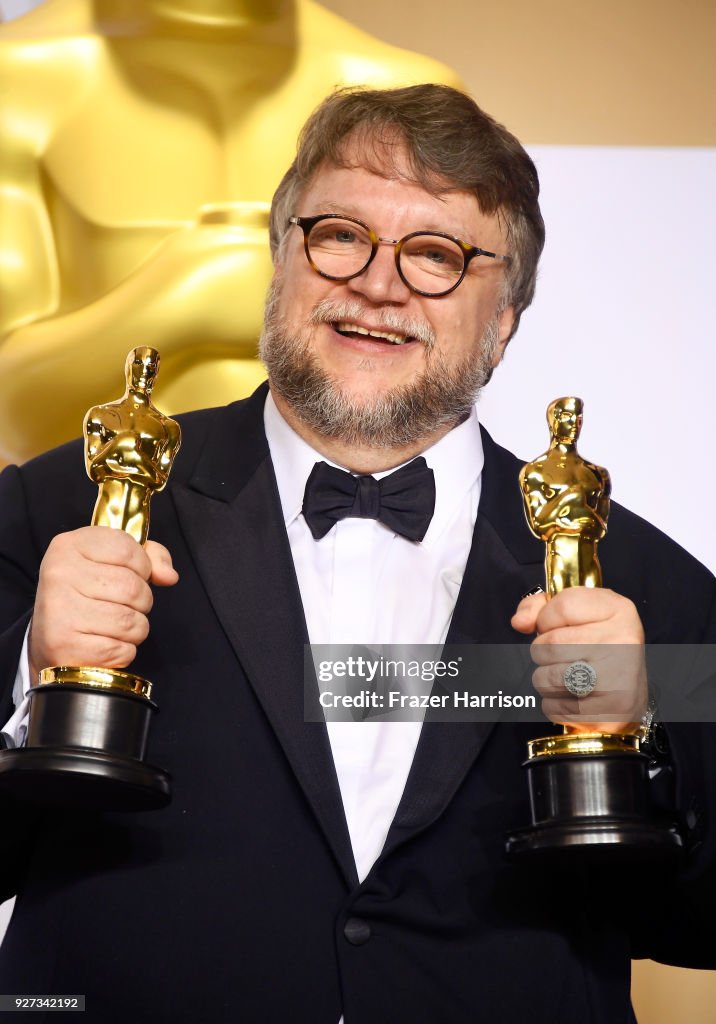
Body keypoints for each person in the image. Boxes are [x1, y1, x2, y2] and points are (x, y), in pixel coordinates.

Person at [0, 84, 714, 1024]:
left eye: (436, 254)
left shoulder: (648, 583)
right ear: (280, 257)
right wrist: (28, 680)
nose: (378, 284)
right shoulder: (51, 508)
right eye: (340, 234)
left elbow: (701, 923)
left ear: (504, 321)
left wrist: (634, 735)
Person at [0, 0, 462, 464]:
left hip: (347, 517)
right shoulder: (20, 73)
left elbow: (455, 358)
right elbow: (13, 411)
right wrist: (187, 298)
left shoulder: (405, 87)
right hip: (89, 514)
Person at [85, 347, 181, 544]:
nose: (145, 370)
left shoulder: (167, 427)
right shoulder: (101, 415)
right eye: (139, 363)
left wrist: (126, 454)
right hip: (107, 506)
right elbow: (95, 468)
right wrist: (125, 447)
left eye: (151, 366)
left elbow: (159, 480)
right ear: (128, 367)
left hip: (139, 511)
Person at [520, 396, 611, 594]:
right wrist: (571, 499)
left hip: (589, 556)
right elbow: (539, 524)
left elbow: (601, 528)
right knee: (561, 610)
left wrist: (572, 507)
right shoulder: (537, 471)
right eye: (568, 416)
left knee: (592, 612)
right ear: (555, 420)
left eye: (579, 418)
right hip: (560, 553)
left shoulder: (598, 474)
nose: (575, 423)